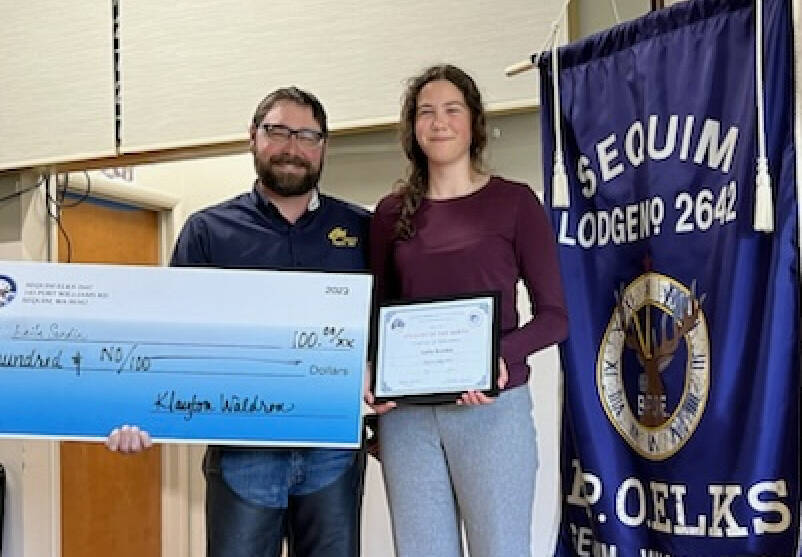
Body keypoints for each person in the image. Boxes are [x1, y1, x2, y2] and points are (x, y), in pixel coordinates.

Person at [107, 86, 370, 557]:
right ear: (253, 137)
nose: (292, 147)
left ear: (324, 146)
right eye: (278, 131)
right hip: (242, 453)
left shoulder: (362, 229)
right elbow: (170, 339)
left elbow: (383, 325)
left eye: (308, 135)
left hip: (332, 450)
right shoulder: (208, 231)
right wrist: (134, 413)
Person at [366, 64, 568, 557]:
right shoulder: (390, 213)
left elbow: (556, 316)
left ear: (474, 122)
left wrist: (499, 356)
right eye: (426, 112)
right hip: (408, 419)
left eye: (452, 109)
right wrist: (373, 371)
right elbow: (376, 316)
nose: (439, 122)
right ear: (412, 128)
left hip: (493, 412)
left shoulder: (516, 203)